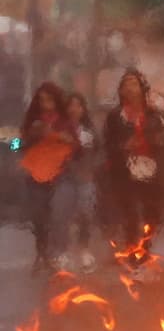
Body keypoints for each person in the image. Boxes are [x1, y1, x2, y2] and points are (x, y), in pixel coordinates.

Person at [102, 68, 164, 244]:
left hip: (150, 169)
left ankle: (145, 247)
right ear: (121, 90)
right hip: (124, 170)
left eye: (134, 83)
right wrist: (124, 146)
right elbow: (107, 144)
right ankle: (132, 250)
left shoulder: (154, 115)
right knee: (130, 212)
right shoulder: (115, 117)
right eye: (126, 84)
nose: (130, 88)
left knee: (151, 213)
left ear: (141, 87)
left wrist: (159, 141)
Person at [17, 82, 73, 273]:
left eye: (49, 99)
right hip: (35, 175)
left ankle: (57, 254)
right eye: (41, 100)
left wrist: (61, 137)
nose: (45, 103)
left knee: (58, 215)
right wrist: (29, 137)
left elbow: (80, 146)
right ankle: (42, 253)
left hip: (60, 175)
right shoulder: (32, 121)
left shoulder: (66, 121)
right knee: (39, 218)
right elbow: (16, 145)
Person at [56, 92, 100, 271]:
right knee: (61, 214)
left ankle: (84, 251)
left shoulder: (89, 131)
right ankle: (62, 251)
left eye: (78, 105)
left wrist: (91, 170)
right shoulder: (57, 129)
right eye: (70, 105)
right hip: (63, 179)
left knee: (85, 214)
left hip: (85, 179)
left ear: (83, 109)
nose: (74, 109)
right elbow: (22, 143)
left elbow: (99, 152)